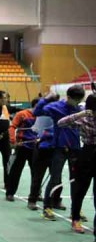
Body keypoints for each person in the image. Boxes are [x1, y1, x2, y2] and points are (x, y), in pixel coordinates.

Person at [31, 86, 84, 219]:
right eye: (75, 100)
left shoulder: (80, 109)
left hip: (75, 148)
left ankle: (75, 210)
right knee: (55, 178)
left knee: (76, 180)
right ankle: (47, 208)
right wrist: (46, 99)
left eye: (80, 100)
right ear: (68, 97)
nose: (77, 103)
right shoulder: (56, 107)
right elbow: (36, 112)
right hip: (60, 147)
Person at [57, 93, 95, 233]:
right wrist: (80, 114)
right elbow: (61, 123)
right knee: (80, 190)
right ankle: (75, 219)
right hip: (87, 155)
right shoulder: (84, 118)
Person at [5, 98, 38, 202]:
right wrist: (12, 140)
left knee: (36, 171)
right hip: (22, 145)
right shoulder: (22, 114)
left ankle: (36, 193)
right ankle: (10, 193)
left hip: (36, 146)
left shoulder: (42, 116)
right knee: (16, 170)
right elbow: (12, 127)